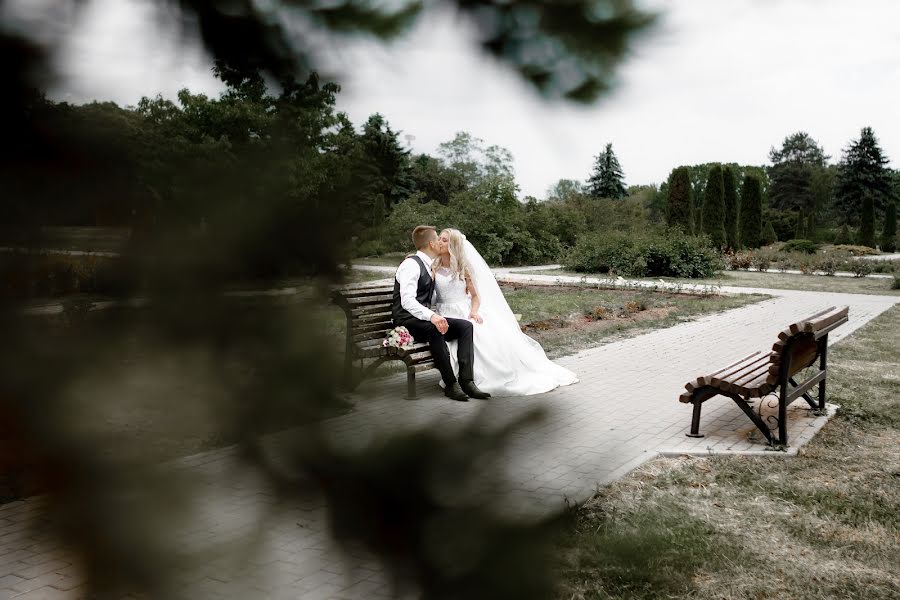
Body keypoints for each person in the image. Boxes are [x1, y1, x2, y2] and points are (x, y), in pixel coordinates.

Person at [432, 228, 578, 396]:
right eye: (440, 239)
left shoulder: (462, 269)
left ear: (453, 246)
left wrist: (473, 311)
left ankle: (473, 379)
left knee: (480, 334)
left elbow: (475, 297)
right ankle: (461, 379)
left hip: (464, 312)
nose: (440, 242)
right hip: (444, 313)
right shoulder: (433, 267)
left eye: (444, 240)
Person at [392, 225, 491, 402]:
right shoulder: (410, 265)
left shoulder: (429, 265)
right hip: (406, 321)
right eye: (438, 239)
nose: (440, 242)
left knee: (465, 326)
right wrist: (433, 316)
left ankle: (467, 380)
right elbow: (407, 301)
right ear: (431, 244)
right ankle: (451, 384)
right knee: (435, 328)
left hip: (422, 319)